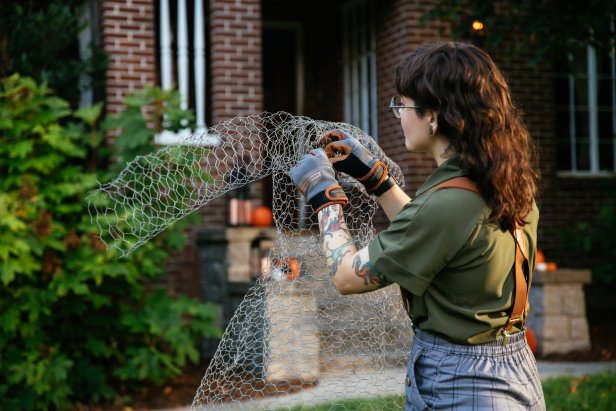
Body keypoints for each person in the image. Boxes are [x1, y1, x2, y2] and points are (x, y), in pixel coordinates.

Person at [289, 41, 545, 410]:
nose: (397, 114)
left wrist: (323, 197)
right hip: (512, 367)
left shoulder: (450, 203)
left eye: (402, 105)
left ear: (434, 116)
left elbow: (346, 276)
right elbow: (436, 231)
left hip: (463, 382)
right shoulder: (499, 181)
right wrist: (377, 181)